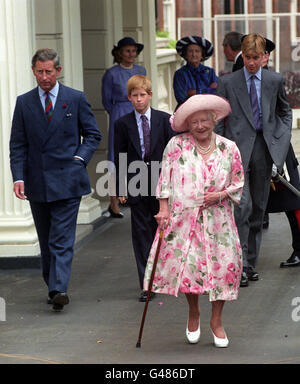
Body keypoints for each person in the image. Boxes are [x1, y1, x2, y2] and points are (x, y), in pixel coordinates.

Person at [143, 94, 244, 347]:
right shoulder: (176, 145)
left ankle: (217, 321)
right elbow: (164, 179)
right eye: (194, 121)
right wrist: (163, 210)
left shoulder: (228, 147)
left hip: (219, 220)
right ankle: (193, 311)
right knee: (190, 267)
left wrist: (220, 195)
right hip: (184, 219)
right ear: (188, 124)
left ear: (214, 120)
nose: (200, 126)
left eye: (204, 120)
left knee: (224, 268)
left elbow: (238, 182)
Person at [9, 48, 101, 311]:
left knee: (61, 238)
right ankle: (52, 284)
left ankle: (59, 288)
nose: (44, 77)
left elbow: (93, 135)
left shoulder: (75, 98)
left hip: (68, 179)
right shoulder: (24, 102)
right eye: (40, 71)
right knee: (46, 237)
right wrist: (18, 177)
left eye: (49, 71)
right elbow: (18, 144)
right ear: (33, 71)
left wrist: (80, 159)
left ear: (58, 71)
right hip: (37, 181)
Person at [215, 34, 293, 287]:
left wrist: (279, 146)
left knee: (259, 209)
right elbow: (219, 117)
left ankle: (250, 262)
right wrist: (218, 150)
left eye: (255, 58)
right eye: (247, 57)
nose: (250, 62)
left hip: (264, 149)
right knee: (242, 207)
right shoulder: (228, 82)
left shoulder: (274, 80)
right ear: (243, 55)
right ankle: (241, 265)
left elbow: (284, 112)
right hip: (235, 150)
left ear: (264, 57)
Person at [114, 75, 174, 302]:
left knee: (163, 230)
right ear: (129, 98)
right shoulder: (122, 124)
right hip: (136, 182)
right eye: (134, 96)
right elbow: (119, 155)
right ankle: (147, 283)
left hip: (161, 183)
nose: (139, 100)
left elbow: (172, 154)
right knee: (141, 234)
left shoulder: (164, 120)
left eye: (142, 95)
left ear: (150, 95)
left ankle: (165, 276)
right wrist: (120, 185)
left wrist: (173, 183)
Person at [102, 37, 146, 218]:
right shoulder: (111, 74)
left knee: (139, 151)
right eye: (127, 51)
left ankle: (139, 194)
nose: (131, 54)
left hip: (139, 112)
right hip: (119, 114)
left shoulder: (141, 70)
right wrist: (118, 114)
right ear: (120, 53)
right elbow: (106, 101)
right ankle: (114, 200)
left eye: (133, 51)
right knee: (116, 156)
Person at [173, 36, 218, 108]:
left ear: (202, 55)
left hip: (207, 111)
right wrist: (208, 91)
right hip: (187, 112)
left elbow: (217, 93)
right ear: (186, 55)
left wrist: (194, 93)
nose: (194, 54)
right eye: (190, 51)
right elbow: (181, 98)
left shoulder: (210, 72)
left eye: (197, 51)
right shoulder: (180, 74)